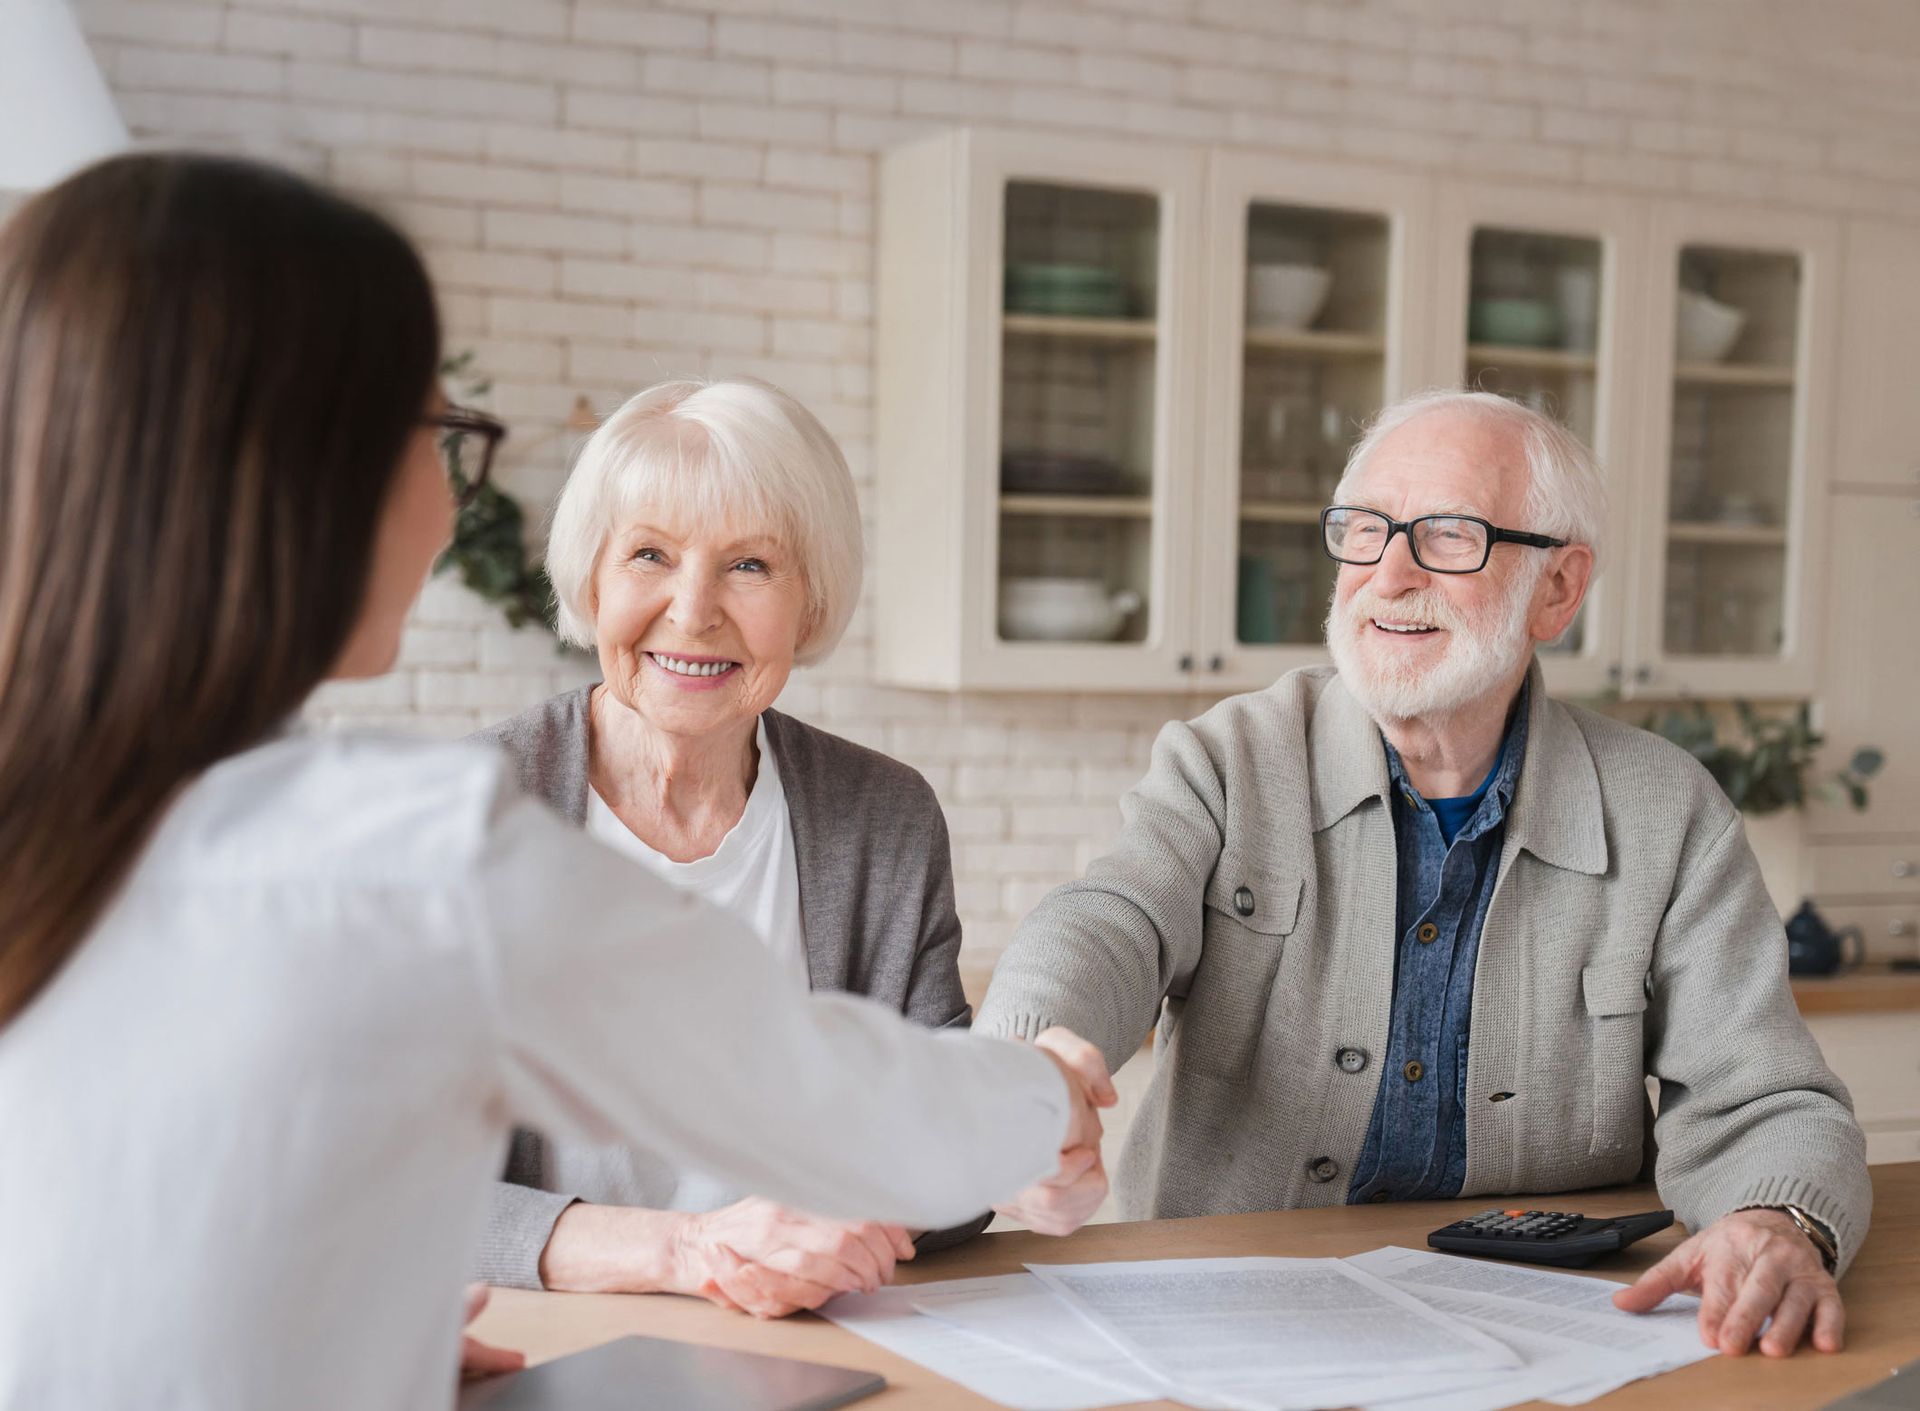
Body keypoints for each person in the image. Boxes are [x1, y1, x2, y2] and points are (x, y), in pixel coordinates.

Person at [0, 153, 1114, 1411]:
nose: (444, 494)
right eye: (436, 434)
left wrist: (348, 1338)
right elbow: (806, 1091)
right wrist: (1048, 1098)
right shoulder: (413, 851)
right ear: (304, 481)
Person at [977, 388, 1871, 1361]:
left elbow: (1765, 1100)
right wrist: (1022, 1069)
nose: (1388, 574)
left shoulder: (1670, 810)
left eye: (1448, 536)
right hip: (1232, 1316)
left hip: (1554, 1330)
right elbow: (1107, 920)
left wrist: (1778, 1220)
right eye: (1364, 533)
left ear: (1559, 590)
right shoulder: (1228, 758)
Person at [471, 377, 1096, 1315]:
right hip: (545, 1341)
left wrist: (1012, 1148)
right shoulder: (470, 818)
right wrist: (691, 1250)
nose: (692, 610)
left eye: (750, 565)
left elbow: (931, 1159)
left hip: (813, 1341)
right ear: (592, 579)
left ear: (810, 604)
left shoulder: (884, 817)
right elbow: (386, 1190)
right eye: (649, 553)